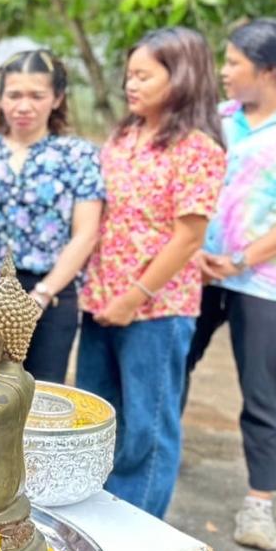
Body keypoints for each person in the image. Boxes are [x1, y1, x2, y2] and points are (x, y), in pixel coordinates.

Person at [76, 27, 226, 519]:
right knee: (97, 421)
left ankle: (136, 533)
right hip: (99, 301)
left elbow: (188, 237)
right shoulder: (123, 137)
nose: (130, 86)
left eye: (143, 76)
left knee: (148, 430)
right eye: (128, 76)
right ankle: (95, 522)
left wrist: (133, 296)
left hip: (156, 310)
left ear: (180, 77)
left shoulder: (197, 148)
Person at [184, 17, 276, 550]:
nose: (223, 72)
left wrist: (240, 259)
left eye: (233, 63)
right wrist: (200, 254)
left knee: (264, 393)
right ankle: (152, 459)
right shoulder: (219, 119)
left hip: (268, 282)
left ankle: (259, 505)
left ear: (269, 70)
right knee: (172, 365)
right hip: (199, 269)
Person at [0, 49, 103, 383]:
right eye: (14, 94)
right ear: (0, 98)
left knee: (39, 399)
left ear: (57, 98)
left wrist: (42, 296)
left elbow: (86, 232)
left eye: (37, 95)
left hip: (51, 294)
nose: (24, 106)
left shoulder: (79, 156)